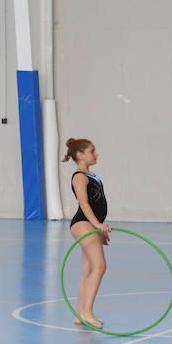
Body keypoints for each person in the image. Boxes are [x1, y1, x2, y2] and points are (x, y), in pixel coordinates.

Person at [63, 138, 110, 329]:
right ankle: (88, 314)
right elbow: (84, 203)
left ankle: (80, 313)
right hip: (83, 223)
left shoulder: (91, 175)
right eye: (92, 151)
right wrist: (97, 224)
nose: (96, 154)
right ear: (80, 155)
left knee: (89, 270)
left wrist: (99, 230)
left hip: (89, 226)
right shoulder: (79, 176)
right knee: (100, 267)